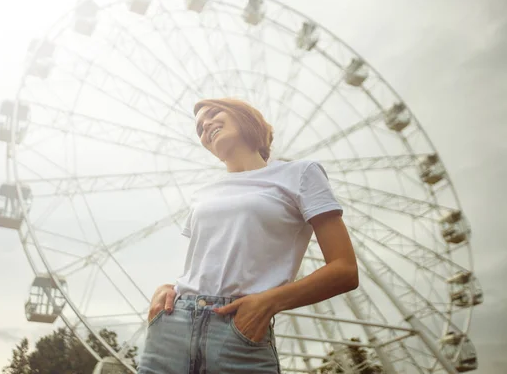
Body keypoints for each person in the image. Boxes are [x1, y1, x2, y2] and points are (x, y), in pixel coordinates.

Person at [137, 98, 358, 374]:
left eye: (214, 112)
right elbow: (203, 266)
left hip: (239, 329)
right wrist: (166, 289)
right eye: (199, 128)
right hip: (172, 324)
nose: (205, 125)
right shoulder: (203, 194)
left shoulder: (300, 174)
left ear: (244, 117)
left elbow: (345, 270)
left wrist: (269, 302)